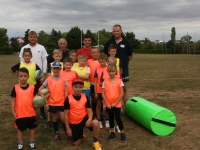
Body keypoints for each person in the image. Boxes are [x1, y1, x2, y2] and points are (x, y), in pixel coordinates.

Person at [11, 67, 47, 150]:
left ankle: (32, 143)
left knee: (32, 129)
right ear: (17, 77)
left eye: (25, 76)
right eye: (21, 76)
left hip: (31, 113)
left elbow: (41, 94)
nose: (23, 78)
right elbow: (13, 101)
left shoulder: (32, 87)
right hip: (20, 114)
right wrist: (13, 111)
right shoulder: (15, 88)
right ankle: (20, 145)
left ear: (28, 77)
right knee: (20, 130)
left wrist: (45, 102)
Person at [64, 78, 102, 150]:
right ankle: (80, 133)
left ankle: (95, 142)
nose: (78, 89)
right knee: (76, 144)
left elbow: (90, 111)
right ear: (72, 87)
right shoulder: (68, 99)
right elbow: (66, 115)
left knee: (96, 123)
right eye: (76, 87)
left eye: (80, 87)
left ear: (82, 88)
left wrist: (90, 119)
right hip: (74, 122)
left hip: (84, 118)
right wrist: (68, 128)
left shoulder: (85, 97)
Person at [19, 31, 48, 119]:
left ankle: (42, 112)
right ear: (28, 38)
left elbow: (44, 61)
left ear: (37, 38)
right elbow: (21, 62)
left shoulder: (41, 47)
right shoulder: (24, 48)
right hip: (28, 77)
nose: (32, 38)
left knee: (40, 93)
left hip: (39, 76)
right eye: (31, 37)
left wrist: (43, 74)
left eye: (34, 37)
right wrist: (22, 74)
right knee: (28, 95)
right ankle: (29, 112)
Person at [103, 24, 133, 104]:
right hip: (111, 71)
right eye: (114, 31)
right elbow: (105, 55)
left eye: (117, 31)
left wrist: (123, 63)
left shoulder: (126, 42)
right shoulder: (109, 42)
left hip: (123, 69)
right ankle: (115, 106)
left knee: (124, 89)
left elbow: (131, 55)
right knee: (112, 89)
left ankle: (127, 108)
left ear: (121, 31)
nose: (116, 33)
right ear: (112, 31)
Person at [39, 61, 68, 141]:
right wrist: (38, 92)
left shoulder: (63, 78)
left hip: (62, 102)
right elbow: (42, 86)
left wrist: (66, 99)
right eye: (54, 68)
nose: (56, 70)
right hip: (52, 102)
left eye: (58, 69)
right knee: (55, 118)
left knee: (63, 119)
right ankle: (56, 132)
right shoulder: (49, 79)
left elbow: (66, 91)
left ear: (60, 69)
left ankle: (66, 132)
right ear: (52, 69)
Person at [102, 64, 126, 142]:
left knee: (118, 118)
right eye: (109, 71)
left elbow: (122, 93)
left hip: (117, 104)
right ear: (107, 72)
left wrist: (115, 103)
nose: (111, 73)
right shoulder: (105, 81)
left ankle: (122, 134)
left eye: (113, 71)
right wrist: (107, 103)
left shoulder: (119, 81)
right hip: (108, 104)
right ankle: (112, 133)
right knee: (111, 118)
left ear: (116, 71)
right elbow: (103, 94)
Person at [94, 53, 108, 128]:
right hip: (99, 91)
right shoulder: (97, 69)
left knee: (107, 105)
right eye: (100, 62)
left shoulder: (109, 69)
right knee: (98, 105)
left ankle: (107, 119)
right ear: (98, 61)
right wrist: (95, 92)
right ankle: (99, 119)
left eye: (103, 62)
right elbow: (95, 82)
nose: (102, 63)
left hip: (107, 91)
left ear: (107, 61)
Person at [87, 47, 100, 115]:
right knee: (93, 98)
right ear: (91, 54)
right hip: (91, 83)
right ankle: (94, 111)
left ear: (99, 53)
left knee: (99, 98)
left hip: (99, 83)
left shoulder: (101, 61)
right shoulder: (89, 61)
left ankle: (99, 111)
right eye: (93, 52)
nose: (95, 54)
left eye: (96, 52)